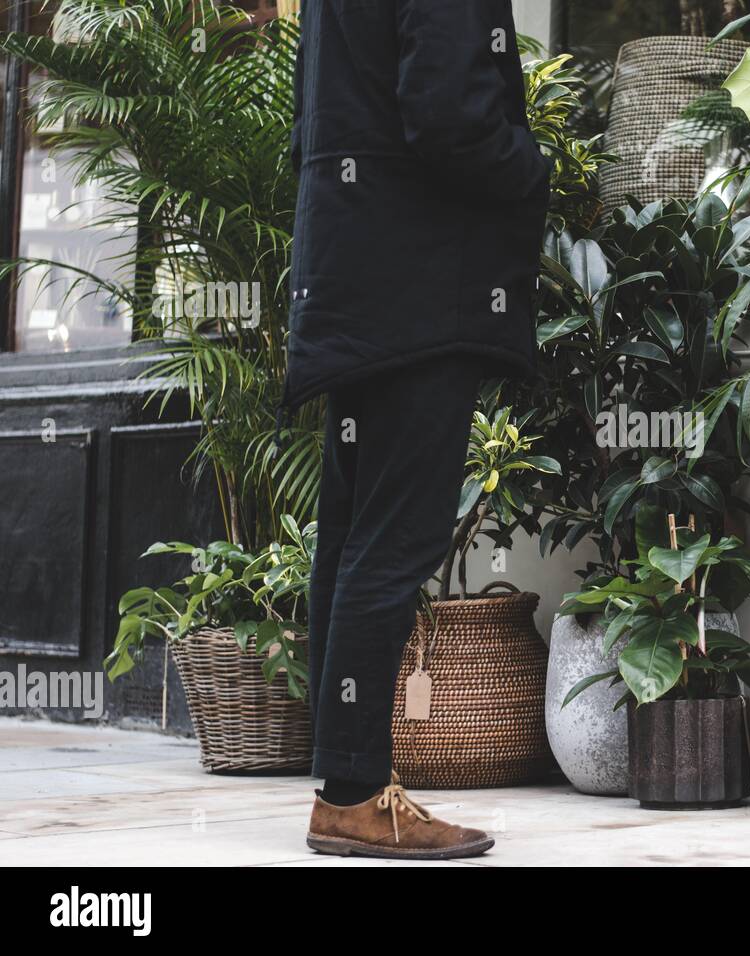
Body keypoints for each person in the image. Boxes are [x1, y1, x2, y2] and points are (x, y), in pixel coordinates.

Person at [281, 0, 550, 859]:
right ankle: (356, 796)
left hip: (356, 273)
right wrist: (530, 168)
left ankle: (344, 785)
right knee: (392, 542)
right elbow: (451, 116)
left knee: (355, 540)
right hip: (421, 282)